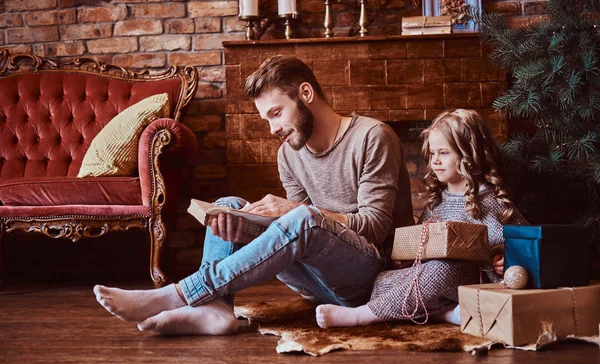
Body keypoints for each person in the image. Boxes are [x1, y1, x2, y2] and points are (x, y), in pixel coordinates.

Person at [93, 55, 414, 335]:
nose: (272, 128)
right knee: (228, 207)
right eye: (266, 119)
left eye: (276, 113)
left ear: (305, 93)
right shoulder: (289, 154)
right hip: (318, 282)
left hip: (371, 281)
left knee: (302, 217)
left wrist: (294, 210)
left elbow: (375, 227)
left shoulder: (373, 137)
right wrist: (246, 223)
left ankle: (181, 293)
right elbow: (302, 233)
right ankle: (216, 308)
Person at [315, 109, 527, 329]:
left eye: (444, 153)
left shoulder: (490, 201)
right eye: (432, 153)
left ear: (469, 154)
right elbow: (423, 242)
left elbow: (524, 246)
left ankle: (360, 316)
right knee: (383, 281)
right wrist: (410, 258)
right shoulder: (437, 201)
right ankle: (446, 313)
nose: (435, 162)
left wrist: (505, 260)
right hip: (436, 280)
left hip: (470, 278)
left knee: (441, 270)